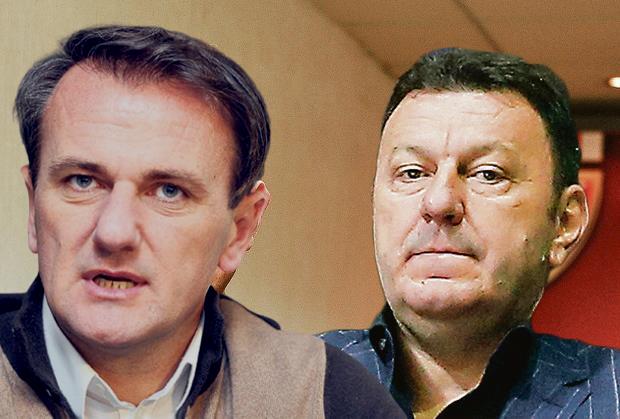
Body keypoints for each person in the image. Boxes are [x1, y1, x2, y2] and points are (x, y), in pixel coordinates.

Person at [0, 25, 405, 418]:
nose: (114, 232)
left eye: (169, 191)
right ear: (34, 207)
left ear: (239, 231)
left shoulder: (330, 399)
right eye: (82, 181)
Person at [321, 48, 620, 418]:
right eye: (412, 173)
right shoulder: (281, 387)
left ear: (564, 222)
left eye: (488, 174)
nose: (439, 202)